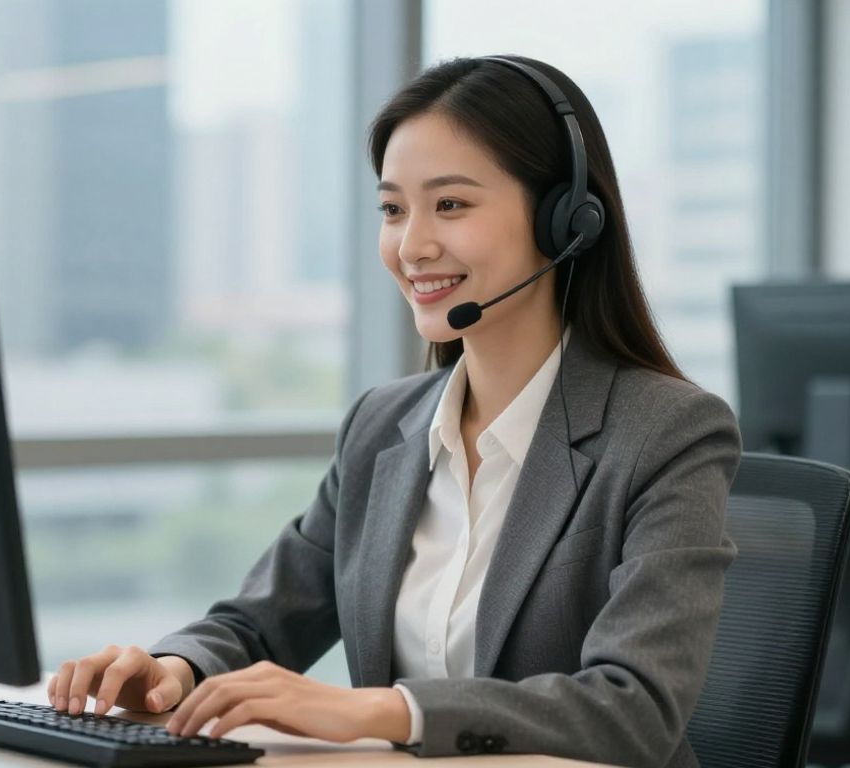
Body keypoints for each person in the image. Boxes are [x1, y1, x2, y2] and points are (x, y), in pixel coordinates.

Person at [47, 55, 740, 768]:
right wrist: (173, 670)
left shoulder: (667, 432)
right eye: (392, 209)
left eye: (451, 205)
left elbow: (636, 708)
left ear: (566, 220)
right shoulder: (380, 427)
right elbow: (259, 623)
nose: (412, 247)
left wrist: (383, 711)